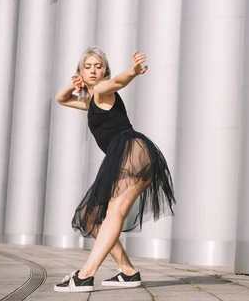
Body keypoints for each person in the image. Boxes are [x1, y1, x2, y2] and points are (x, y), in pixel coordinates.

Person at [52, 46, 176, 293]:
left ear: (104, 71)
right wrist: (73, 85)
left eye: (98, 67)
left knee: (114, 210)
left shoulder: (101, 90)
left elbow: (117, 82)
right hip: (126, 155)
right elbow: (61, 99)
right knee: (90, 216)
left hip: (132, 152)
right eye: (87, 67)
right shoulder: (91, 100)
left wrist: (133, 71)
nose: (93, 71)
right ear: (80, 71)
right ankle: (128, 272)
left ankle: (85, 275)